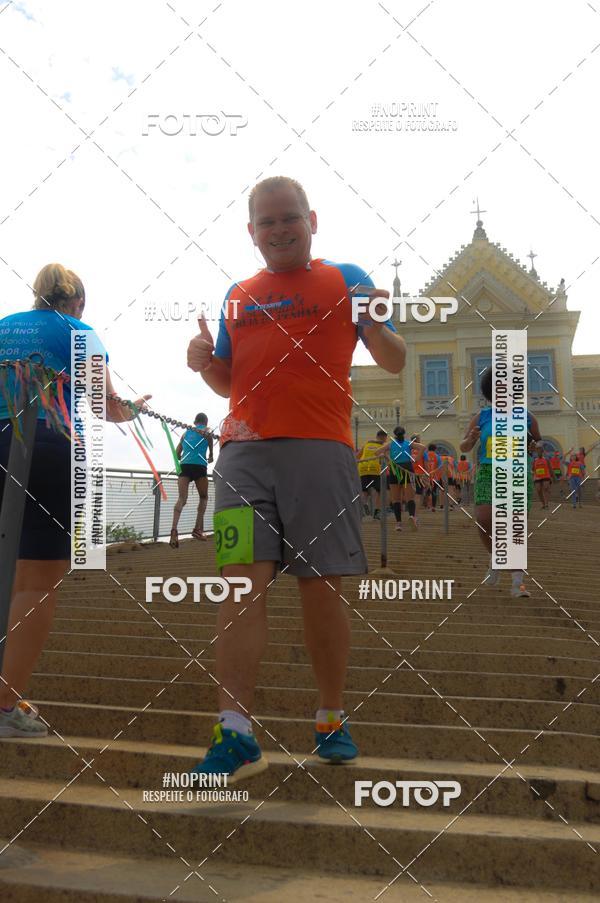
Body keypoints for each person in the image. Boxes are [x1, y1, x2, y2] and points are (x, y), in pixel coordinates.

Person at [186, 175, 406, 781]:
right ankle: (234, 732)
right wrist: (206, 363)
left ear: (313, 219)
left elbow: (394, 358)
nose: (280, 230)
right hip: (242, 455)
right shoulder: (238, 293)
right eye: (267, 222)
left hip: (320, 451)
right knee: (238, 588)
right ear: (251, 231)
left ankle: (330, 716)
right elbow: (230, 383)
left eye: (290, 218)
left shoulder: (345, 278)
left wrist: (379, 321)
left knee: (322, 587)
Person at [0, 263, 149, 738]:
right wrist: (133, 409)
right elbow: (103, 403)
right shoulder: (79, 331)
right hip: (50, 445)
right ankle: (5, 705)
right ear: (77, 301)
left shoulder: (4, 328)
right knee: (36, 583)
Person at [460, 366, 541, 598]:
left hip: (517, 473)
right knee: (485, 520)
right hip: (488, 472)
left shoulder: (527, 417)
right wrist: (471, 439)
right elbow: (464, 447)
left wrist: (535, 447)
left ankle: (518, 583)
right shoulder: (482, 416)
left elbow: (538, 444)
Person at [169, 413, 214, 547]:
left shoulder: (185, 433)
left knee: (182, 498)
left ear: (195, 422)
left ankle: (173, 530)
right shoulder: (207, 431)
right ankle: (197, 529)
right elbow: (211, 452)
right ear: (206, 422)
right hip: (200, 466)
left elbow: (177, 453)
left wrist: (184, 458)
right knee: (204, 497)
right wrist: (210, 455)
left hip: (185, 465)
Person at [371, 427, 425, 531]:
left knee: (396, 499)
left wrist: (387, 458)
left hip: (394, 469)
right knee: (410, 497)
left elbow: (377, 452)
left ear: (394, 434)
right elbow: (422, 447)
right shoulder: (408, 443)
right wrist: (415, 459)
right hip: (407, 468)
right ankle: (412, 517)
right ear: (404, 434)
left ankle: (398, 524)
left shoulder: (391, 444)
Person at [356, 429, 387, 518]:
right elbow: (385, 460)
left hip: (363, 468)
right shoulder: (383, 446)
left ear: (377, 436)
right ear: (384, 438)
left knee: (364, 490)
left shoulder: (367, 443)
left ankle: (363, 505)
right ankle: (377, 512)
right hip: (374, 469)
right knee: (379, 491)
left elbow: (357, 456)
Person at [422, 444, 442, 511]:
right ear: (435, 449)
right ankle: (433, 506)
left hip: (426, 476)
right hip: (435, 477)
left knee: (427, 491)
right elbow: (440, 467)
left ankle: (428, 505)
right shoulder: (438, 457)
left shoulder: (425, 455)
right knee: (434, 491)